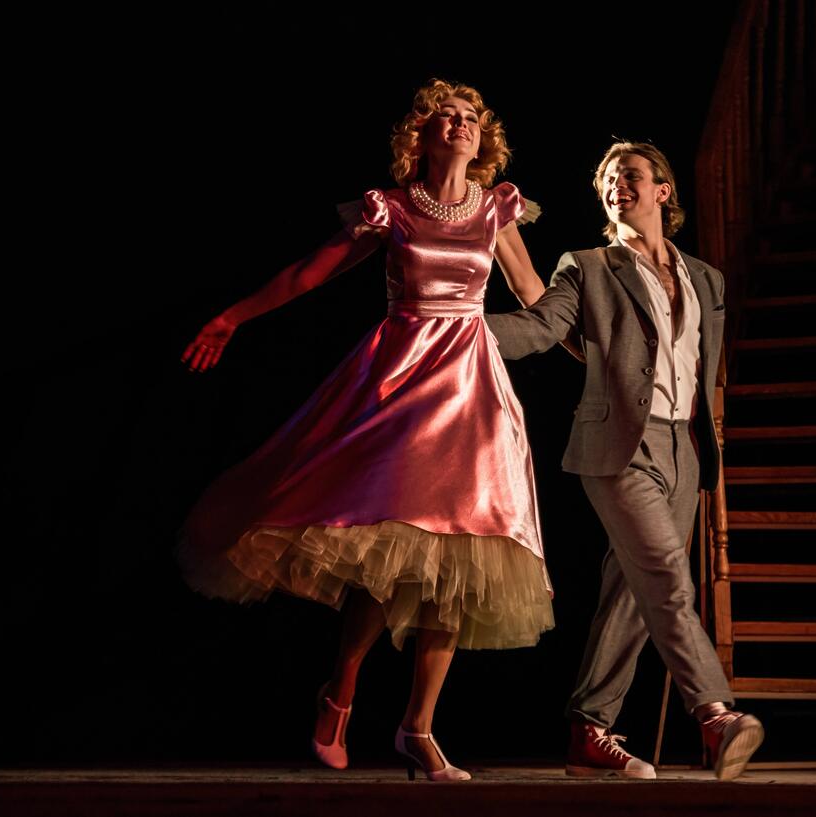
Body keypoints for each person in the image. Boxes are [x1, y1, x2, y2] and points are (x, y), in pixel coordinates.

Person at [178, 79, 554, 782]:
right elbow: (310, 273)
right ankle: (342, 687)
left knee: (465, 555)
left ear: (483, 138)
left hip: (474, 390)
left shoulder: (496, 208)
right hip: (403, 381)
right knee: (389, 545)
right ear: (423, 134)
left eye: (471, 117)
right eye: (446, 115)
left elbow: (535, 293)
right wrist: (233, 317)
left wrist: (603, 348)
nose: (460, 124)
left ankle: (419, 728)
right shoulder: (394, 208)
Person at [485, 142, 763, 781]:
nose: (617, 186)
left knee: (633, 593)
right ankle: (716, 714)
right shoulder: (587, 267)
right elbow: (543, 326)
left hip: (686, 449)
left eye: (630, 175)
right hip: (620, 447)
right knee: (665, 573)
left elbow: (702, 368)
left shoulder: (707, 279)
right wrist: (461, 331)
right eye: (608, 180)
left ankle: (589, 730)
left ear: (663, 190)